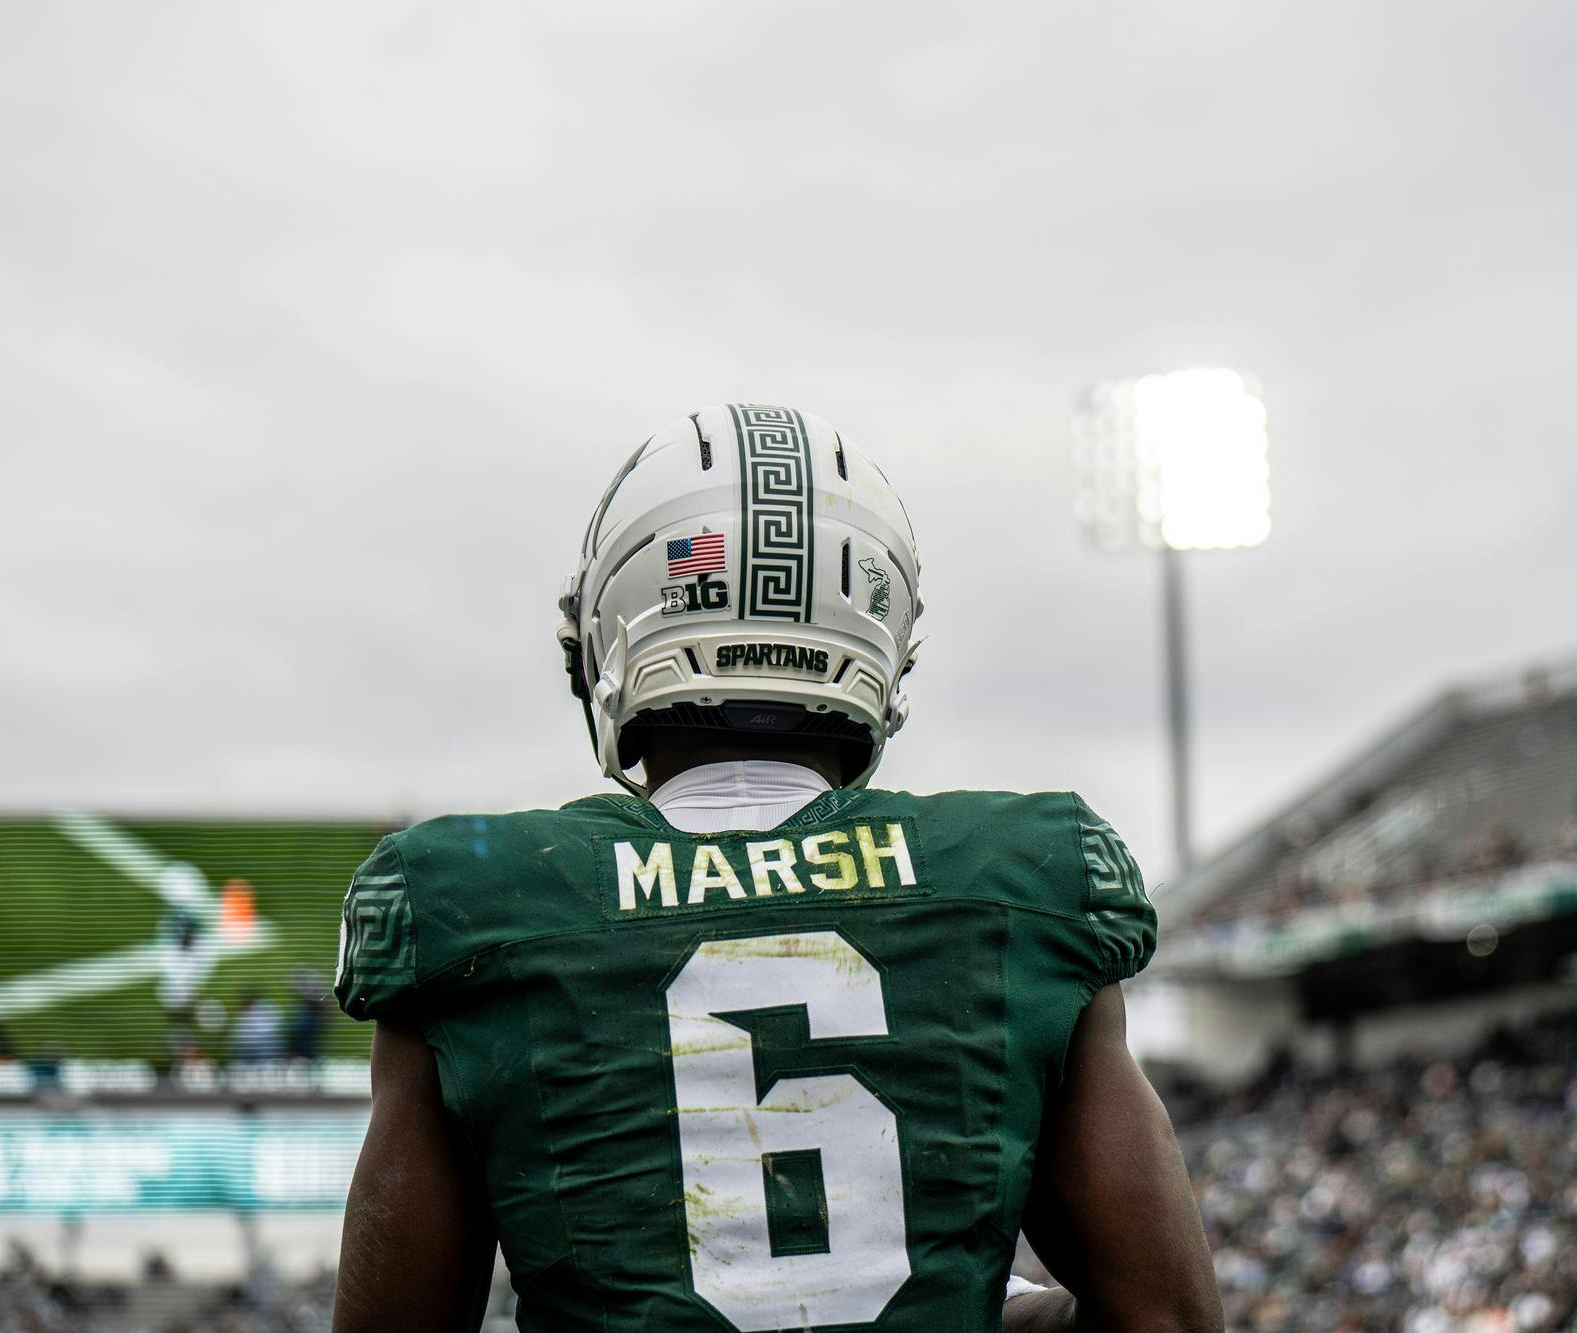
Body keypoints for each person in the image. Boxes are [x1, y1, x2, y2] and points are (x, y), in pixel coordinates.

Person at [332, 405, 1221, 1332]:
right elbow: (1166, 1320)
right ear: (883, 638)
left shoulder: (468, 905)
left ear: (607, 632)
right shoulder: (1022, 880)